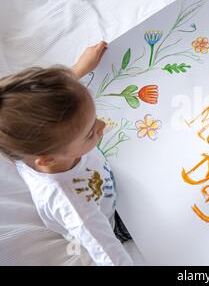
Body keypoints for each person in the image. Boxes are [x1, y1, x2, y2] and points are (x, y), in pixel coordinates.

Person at [0, 41, 133, 265]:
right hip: (112, 218)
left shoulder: (31, 143)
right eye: (90, 133)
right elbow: (109, 255)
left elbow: (50, 99)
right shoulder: (73, 204)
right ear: (49, 159)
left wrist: (78, 69)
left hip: (104, 177)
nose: (102, 125)